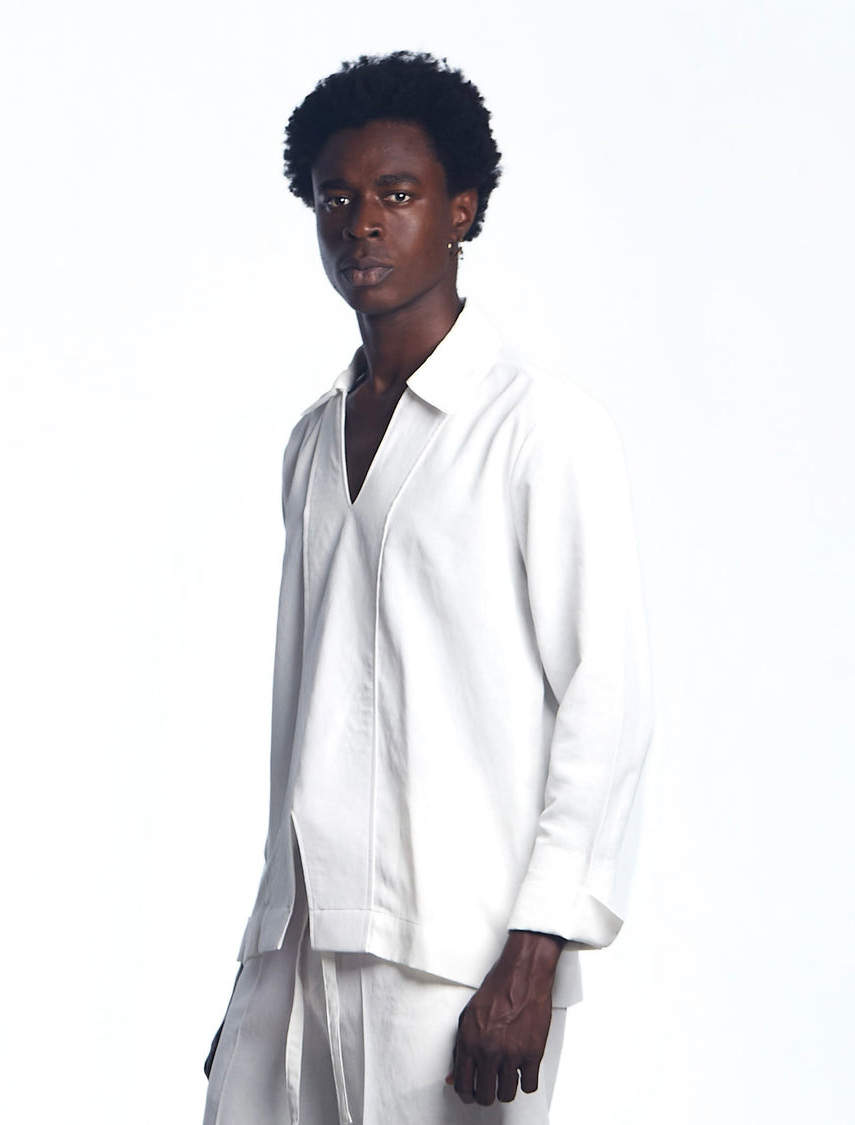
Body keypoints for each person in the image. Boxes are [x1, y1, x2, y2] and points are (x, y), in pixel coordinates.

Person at [202, 50, 652, 1125]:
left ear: (462, 210)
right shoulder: (311, 441)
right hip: (296, 945)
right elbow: (307, 714)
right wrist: (257, 972)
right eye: (337, 199)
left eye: (396, 195)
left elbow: (607, 700)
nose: (361, 223)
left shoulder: (540, 431)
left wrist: (535, 951)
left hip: (455, 958)